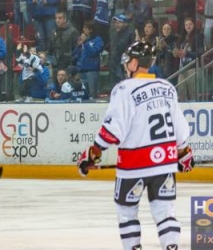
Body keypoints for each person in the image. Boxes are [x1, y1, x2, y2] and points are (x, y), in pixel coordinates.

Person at [76, 41, 194, 250]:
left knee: (126, 213)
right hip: (165, 164)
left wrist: (93, 153)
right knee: (165, 214)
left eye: (127, 62)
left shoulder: (124, 89)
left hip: (134, 165)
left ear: (134, 64)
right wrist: (184, 153)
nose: (125, 66)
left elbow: (113, 130)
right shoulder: (167, 87)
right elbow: (180, 128)